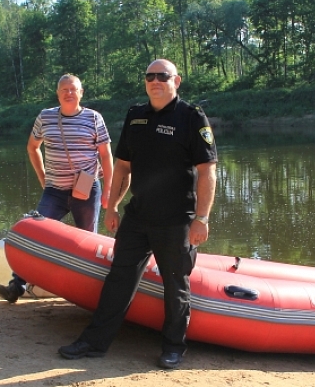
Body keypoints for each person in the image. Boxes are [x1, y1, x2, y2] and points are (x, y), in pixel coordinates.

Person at [58, 59, 217, 369]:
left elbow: (207, 171)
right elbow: (122, 167)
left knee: (175, 283)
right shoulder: (135, 115)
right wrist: (113, 205)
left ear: (176, 81)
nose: (155, 81)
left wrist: (202, 218)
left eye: (163, 76)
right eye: (150, 76)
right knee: (119, 277)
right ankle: (94, 342)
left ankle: (173, 347)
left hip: (177, 220)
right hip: (139, 216)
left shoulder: (191, 117)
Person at [0, 74, 113, 303]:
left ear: (81, 92)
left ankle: (87, 293)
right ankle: (16, 285)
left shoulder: (94, 118)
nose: (69, 93)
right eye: (64, 89)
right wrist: (42, 177)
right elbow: (32, 147)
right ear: (57, 93)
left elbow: (106, 156)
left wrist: (108, 190)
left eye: (73, 89)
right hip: (54, 191)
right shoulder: (46, 117)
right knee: (33, 232)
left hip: (87, 191)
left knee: (88, 242)